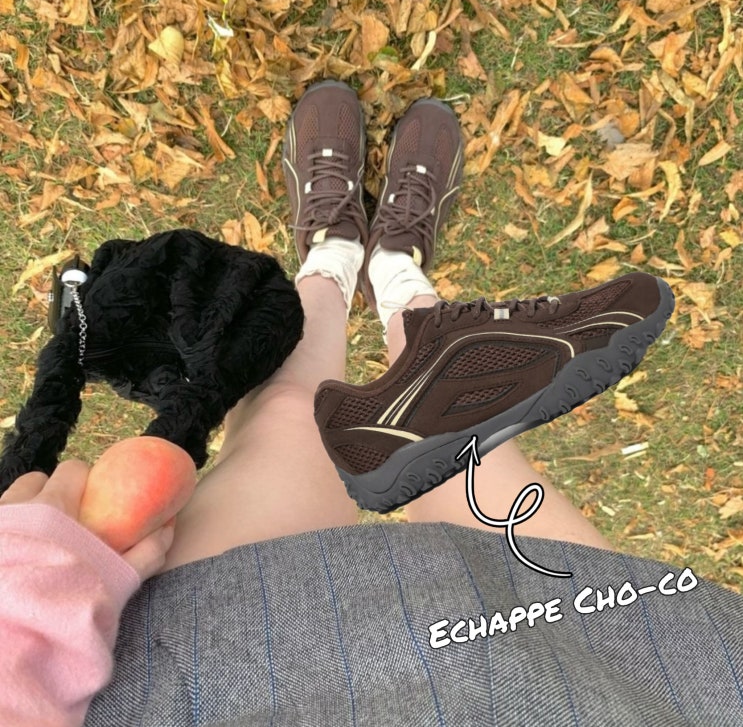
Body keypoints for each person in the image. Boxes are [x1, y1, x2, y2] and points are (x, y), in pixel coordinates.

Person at [1, 81, 742, 727]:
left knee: (290, 417)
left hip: (184, 679)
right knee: (466, 446)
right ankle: (398, 272)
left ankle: (335, 253)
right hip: (617, 684)